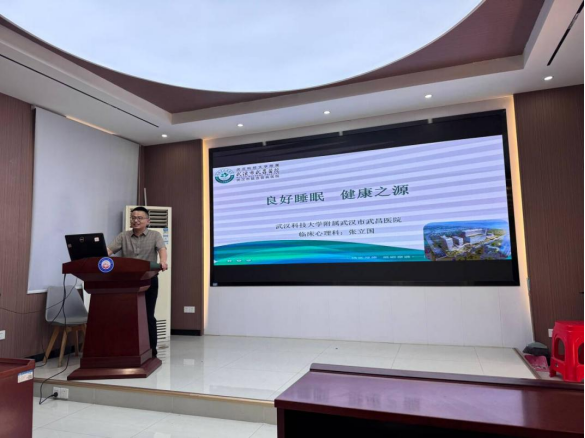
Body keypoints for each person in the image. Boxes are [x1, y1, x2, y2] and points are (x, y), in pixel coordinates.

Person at [107, 206, 168, 357]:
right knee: (127, 315)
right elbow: (109, 251)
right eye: (133, 218)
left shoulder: (155, 235)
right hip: (128, 282)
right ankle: (128, 349)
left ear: (148, 221)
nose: (136, 220)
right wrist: (98, 257)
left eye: (140, 218)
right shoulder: (124, 236)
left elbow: (162, 249)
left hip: (148, 280)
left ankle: (151, 351)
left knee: (148, 315)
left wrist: (163, 261)